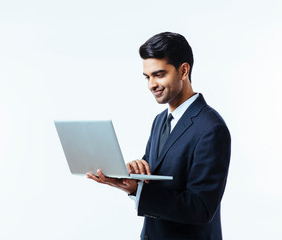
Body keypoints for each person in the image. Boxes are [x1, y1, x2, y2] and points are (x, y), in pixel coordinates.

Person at [87, 32, 231, 240]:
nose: (151, 85)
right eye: (147, 77)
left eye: (159, 74)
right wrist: (135, 174)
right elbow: (157, 178)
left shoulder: (211, 128)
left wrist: (140, 190)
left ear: (183, 71)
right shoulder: (160, 121)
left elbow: (200, 209)